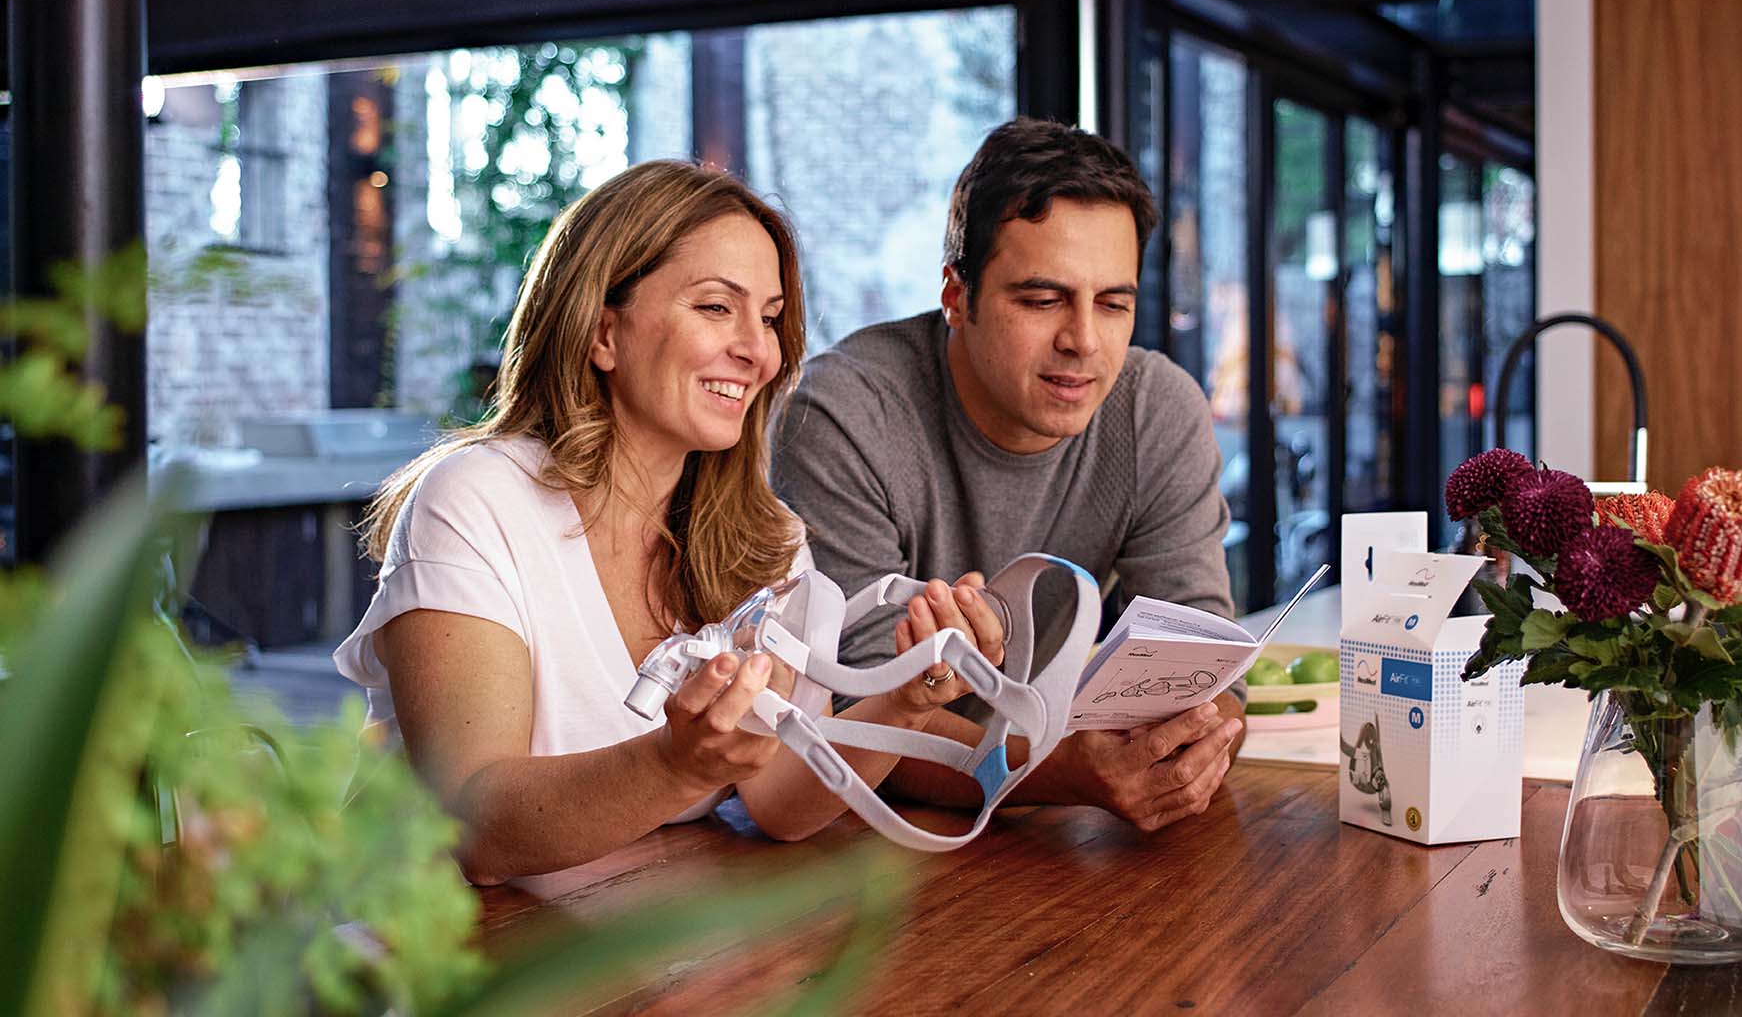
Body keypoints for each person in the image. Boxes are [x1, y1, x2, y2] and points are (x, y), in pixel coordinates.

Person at [335, 161, 1002, 884]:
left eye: (771, 318)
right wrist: (674, 765)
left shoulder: (768, 542)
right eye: (717, 307)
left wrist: (905, 698)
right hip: (421, 948)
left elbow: (780, 800)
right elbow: (475, 827)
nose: (759, 350)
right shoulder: (474, 500)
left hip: (631, 944)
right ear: (602, 333)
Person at [771, 117, 1245, 834]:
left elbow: (1205, 658)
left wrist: (1200, 741)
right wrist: (1058, 771)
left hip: (1041, 829)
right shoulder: (843, 417)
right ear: (956, 296)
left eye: (1114, 303)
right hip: (852, 842)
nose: (1084, 341)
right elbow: (850, 724)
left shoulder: (1156, 409)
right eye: (1042, 299)